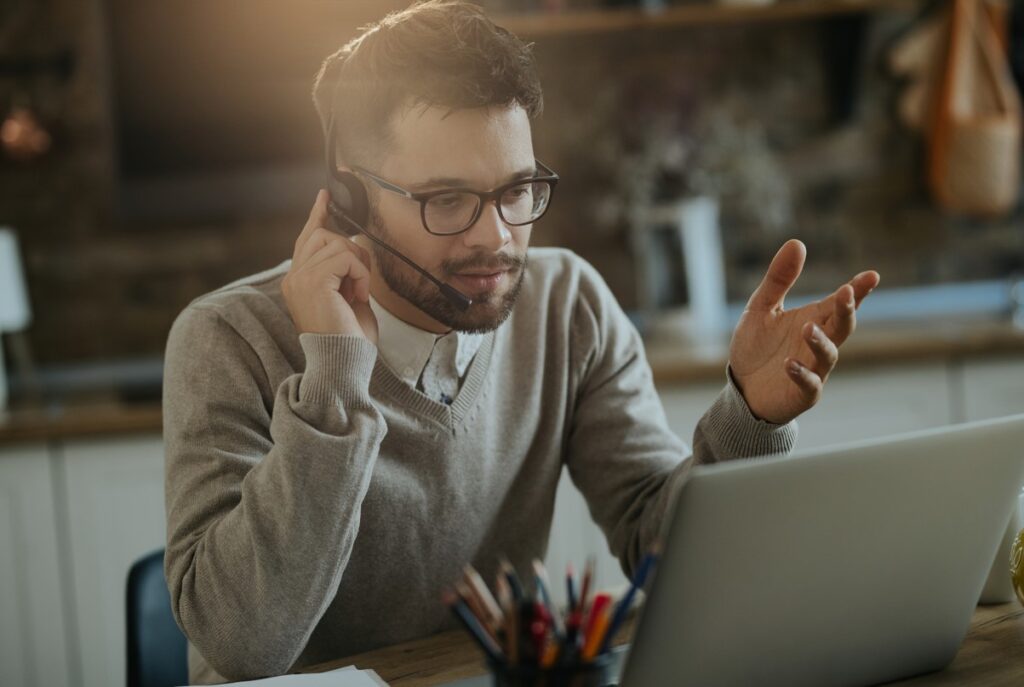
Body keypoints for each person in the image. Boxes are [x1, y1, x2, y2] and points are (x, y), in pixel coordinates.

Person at [162, 1, 880, 683]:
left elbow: (664, 545)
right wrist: (335, 381)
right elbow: (242, 644)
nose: (497, 238)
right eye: (447, 200)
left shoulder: (566, 304)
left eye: (517, 190)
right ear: (352, 194)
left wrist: (751, 414)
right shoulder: (227, 339)